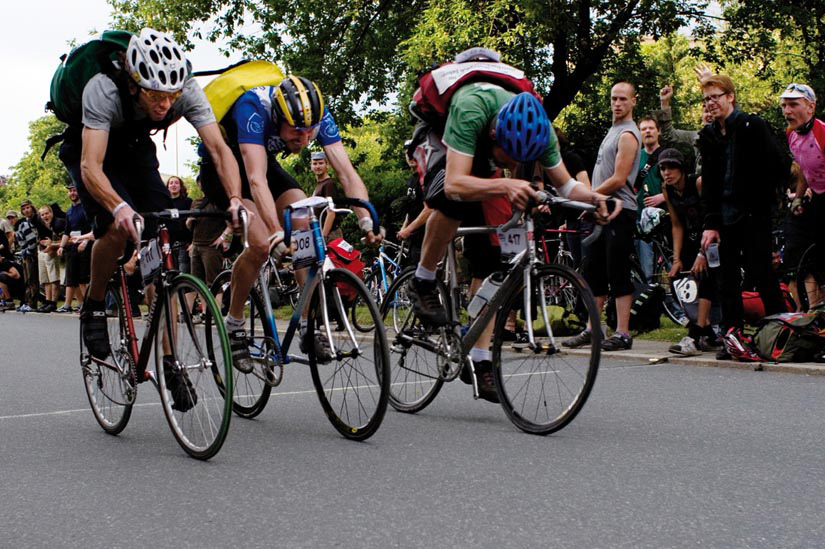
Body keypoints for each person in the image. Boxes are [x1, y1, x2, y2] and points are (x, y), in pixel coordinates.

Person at [406, 56, 615, 401]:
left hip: (485, 146)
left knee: (494, 259)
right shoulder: (471, 110)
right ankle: (423, 279)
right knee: (450, 199)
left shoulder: (540, 130)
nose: (515, 165)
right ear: (494, 135)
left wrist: (594, 197)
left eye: (523, 158)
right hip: (443, 137)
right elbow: (458, 183)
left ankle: (480, 359)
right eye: (510, 156)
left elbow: (566, 187)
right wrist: (504, 185)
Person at [57, 28, 245, 371]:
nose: (166, 105)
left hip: (134, 146)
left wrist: (234, 198)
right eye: (156, 96)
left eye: (172, 96)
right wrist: (119, 207)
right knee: (116, 228)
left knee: (165, 232)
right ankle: (95, 303)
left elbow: (219, 149)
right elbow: (90, 166)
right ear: (133, 82)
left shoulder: (185, 88)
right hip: (91, 147)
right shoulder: (103, 88)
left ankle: (169, 358)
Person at [198, 73, 382, 367]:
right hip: (226, 170)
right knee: (259, 244)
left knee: (304, 222)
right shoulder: (253, 109)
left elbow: (346, 173)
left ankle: (309, 325)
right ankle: (233, 323)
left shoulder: (319, 116)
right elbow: (255, 181)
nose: (305, 140)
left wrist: (366, 220)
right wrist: (275, 234)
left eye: (310, 133)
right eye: (296, 133)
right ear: (278, 115)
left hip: (263, 163)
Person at [696, 73, 790, 359]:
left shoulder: (752, 125)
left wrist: (766, 197)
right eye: (706, 99)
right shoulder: (709, 136)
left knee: (762, 273)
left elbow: (780, 162)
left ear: (730, 97)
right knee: (726, 279)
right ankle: (732, 337)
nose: (711, 103)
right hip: (724, 217)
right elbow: (709, 184)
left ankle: (781, 333)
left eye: (715, 97)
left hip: (753, 214)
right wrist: (710, 224)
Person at [564, 81, 641, 352]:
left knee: (617, 270)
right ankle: (593, 328)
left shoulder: (628, 135)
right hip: (601, 210)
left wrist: (589, 195)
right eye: (613, 98)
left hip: (620, 211)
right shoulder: (613, 130)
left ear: (633, 101)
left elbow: (620, 178)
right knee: (594, 269)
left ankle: (622, 332)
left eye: (622, 99)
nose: (617, 103)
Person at [658, 148, 720, 355]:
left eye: (672, 167)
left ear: (682, 168)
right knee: (679, 280)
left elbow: (713, 215)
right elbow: (677, 224)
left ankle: (695, 335)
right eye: (663, 168)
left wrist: (702, 254)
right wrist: (676, 258)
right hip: (690, 238)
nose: (667, 172)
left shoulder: (698, 183)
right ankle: (709, 333)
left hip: (712, 237)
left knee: (705, 276)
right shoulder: (667, 189)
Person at [779, 83, 825, 309]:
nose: (787, 111)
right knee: (801, 246)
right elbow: (805, 169)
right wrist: (797, 197)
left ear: (810, 107)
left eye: (794, 105)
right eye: (784, 105)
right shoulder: (791, 135)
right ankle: (813, 310)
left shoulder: (822, 133)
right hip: (815, 194)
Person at [635, 115, 666, 282]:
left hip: (666, 218)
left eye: (651, 128)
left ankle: (677, 307)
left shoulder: (667, 155)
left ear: (658, 131)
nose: (647, 131)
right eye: (643, 129)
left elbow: (680, 185)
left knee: (672, 267)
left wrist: (662, 197)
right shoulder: (634, 158)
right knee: (646, 271)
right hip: (641, 220)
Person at [57, 184, 93, 312]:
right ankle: (70, 304)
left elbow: (92, 227)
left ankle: (88, 304)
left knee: (83, 277)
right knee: (72, 276)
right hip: (73, 245)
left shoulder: (87, 207)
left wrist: (85, 242)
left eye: (74, 190)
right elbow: (67, 231)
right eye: (70, 191)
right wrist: (61, 246)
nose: (72, 193)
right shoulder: (70, 211)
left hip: (85, 245)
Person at [396, 141, 431, 265]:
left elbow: (430, 208)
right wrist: (404, 227)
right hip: (414, 235)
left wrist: (408, 229)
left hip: (427, 233)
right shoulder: (412, 179)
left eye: (413, 153)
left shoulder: (427, 177)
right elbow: (411, 207)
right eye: (407, 154)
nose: (410, 157)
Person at [310, 150, 343, 241]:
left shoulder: (329, 184)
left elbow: (331, 213)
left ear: (327, 165)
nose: (318, 166)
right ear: (311, 166)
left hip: (330, 235)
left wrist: (323, 236)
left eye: (321, 163)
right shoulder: (319, 184)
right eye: (315, 163)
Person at [14, 200, 40, 312]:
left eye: (28, 208)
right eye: (24, 209)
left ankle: (32, 303)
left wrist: (28, 251)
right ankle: (27, 301)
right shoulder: (23, 222)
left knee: (32, 279)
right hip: (25, 253)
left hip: (32, 254)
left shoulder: (35, 220)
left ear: (32, 208)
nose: (26, 210)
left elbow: (33, 240)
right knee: (27, 280)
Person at [36, 205, 61, 313]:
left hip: (53, 253)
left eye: (46, 213)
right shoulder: (40, 226)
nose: (45, 216)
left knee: (54, 278)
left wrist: (52, 244)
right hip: (42, 252)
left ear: (51, 213)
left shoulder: (58, 224)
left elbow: (65, 240)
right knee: (45, 279)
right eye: (42, 214)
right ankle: (48, 301)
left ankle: (53, 302)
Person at [166, 175, 193, 274]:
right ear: (167, 186)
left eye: (176, 183)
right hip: (168, 246)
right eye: (171, 183)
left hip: (184, 244)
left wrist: (192, 242)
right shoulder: (164, 203)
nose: (173, 185)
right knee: (170, 274)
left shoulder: (188, 202)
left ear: (180, 186)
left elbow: (194, 224)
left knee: (183, 274)